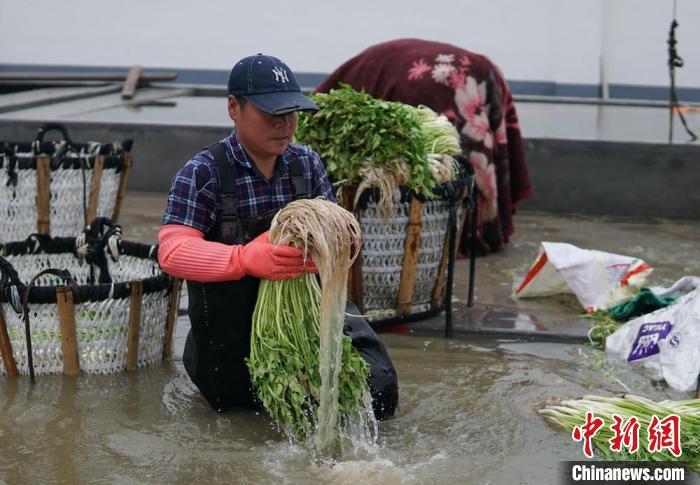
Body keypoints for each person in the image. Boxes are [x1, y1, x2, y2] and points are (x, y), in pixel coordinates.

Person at [158, 54, 398, 419]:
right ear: (234, 108)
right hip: (231, 329)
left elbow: (338, 231)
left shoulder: (305, 163)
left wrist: (331, 246)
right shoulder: (204, 173)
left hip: (310, 310)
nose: (285, 125)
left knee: (379, 391)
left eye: (291, 113)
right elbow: (172, 251)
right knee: (245, 410)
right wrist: (243, 259)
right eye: (272, 114)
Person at [316, 39, 534, 255]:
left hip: (443, 81)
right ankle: (468, 229)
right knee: (470, 156)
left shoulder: (347, 79)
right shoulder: (363, 66)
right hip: (471, 73)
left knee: (455, 162)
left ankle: (451, 233)